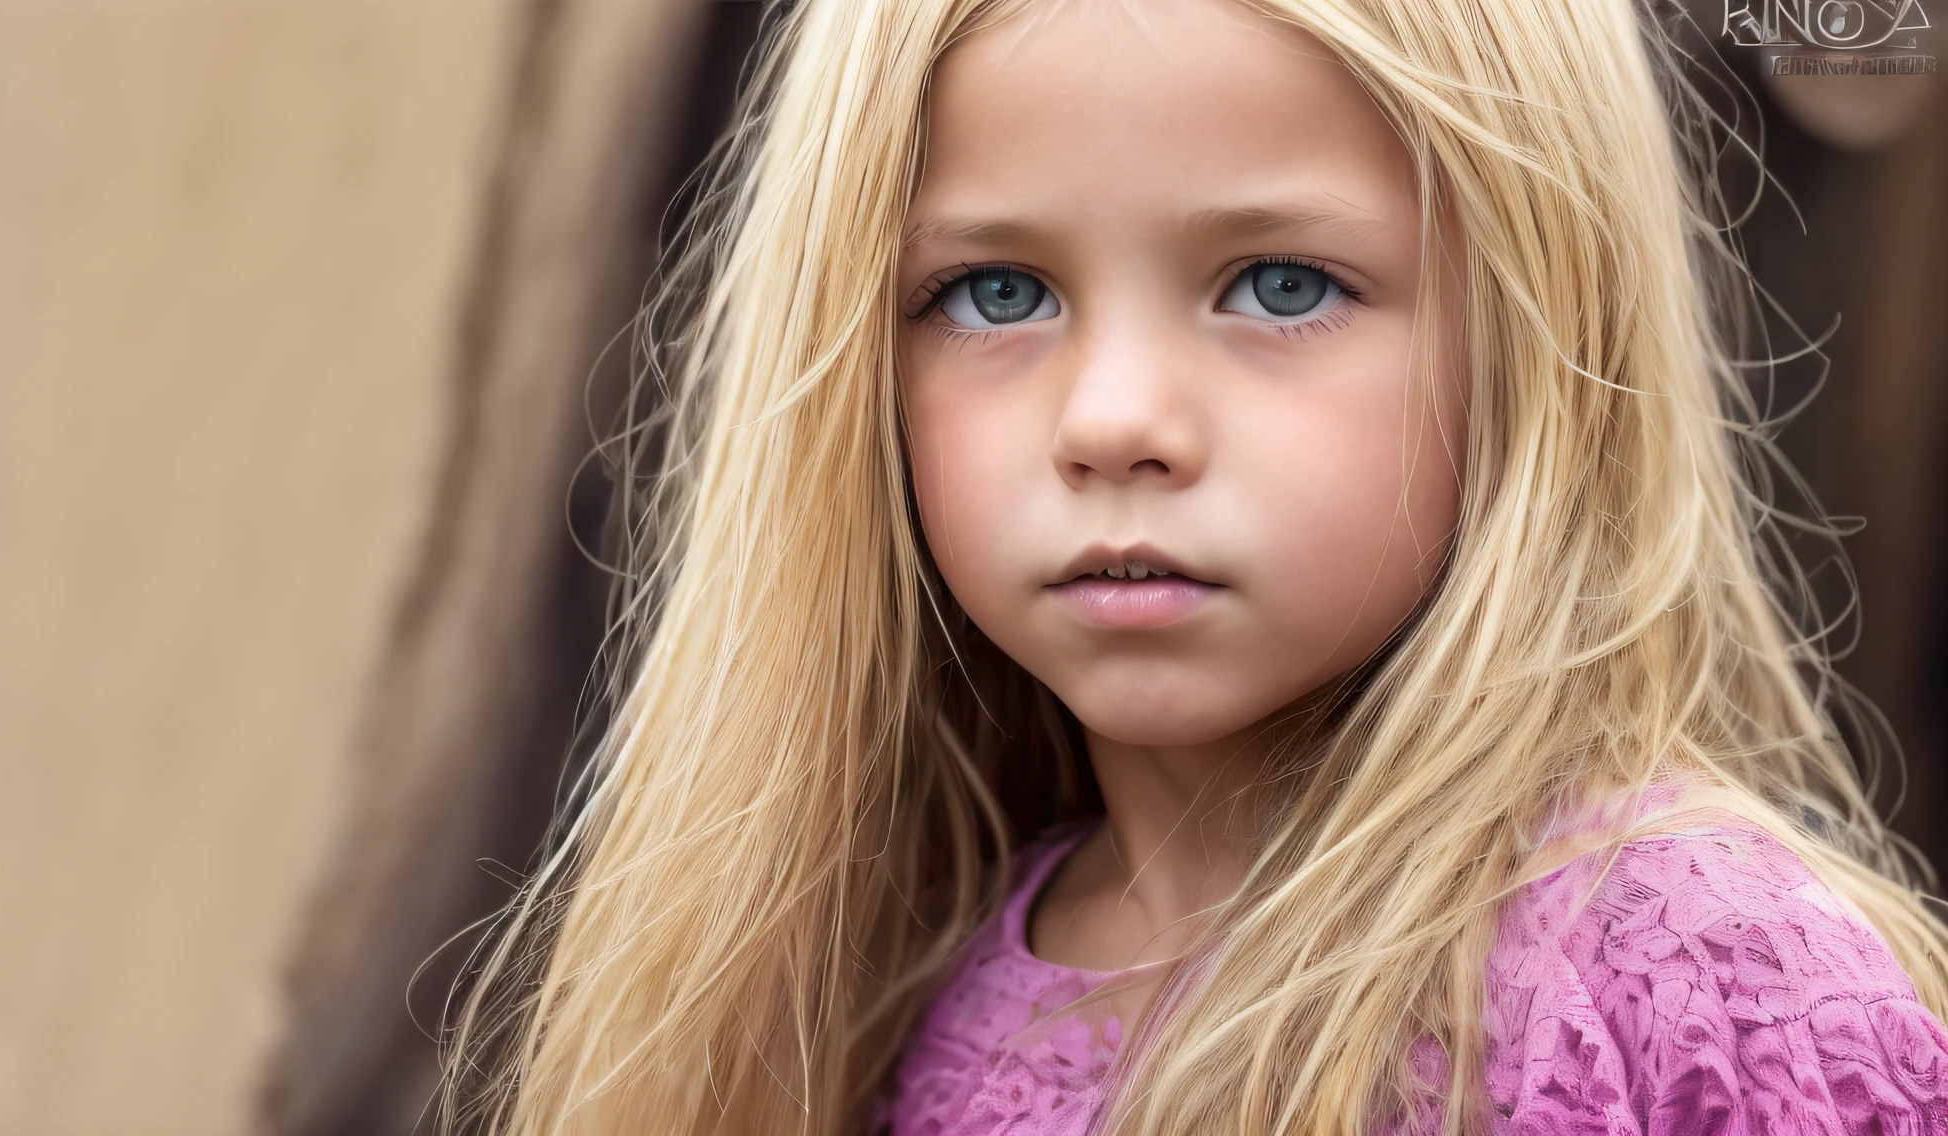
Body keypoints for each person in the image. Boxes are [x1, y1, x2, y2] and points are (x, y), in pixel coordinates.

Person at [441, 1, 1948, 1132]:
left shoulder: (1696, 976)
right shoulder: (889, 1004)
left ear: (1542, 323)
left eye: (1280, 284)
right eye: (996, 290)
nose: (1114, 423)